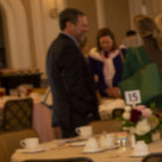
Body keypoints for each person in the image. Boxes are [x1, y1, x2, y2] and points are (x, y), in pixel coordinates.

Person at [46, 7, 99, 137]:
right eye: (83, 26)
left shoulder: (56, 45)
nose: (87, 29)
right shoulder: (67, 47)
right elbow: (74, 85)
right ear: (69, 25)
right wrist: (88, 111)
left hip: (67, 114)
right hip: (76, 116)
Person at [121, 16, 162, 111]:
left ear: (139, 34)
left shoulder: (133, 54)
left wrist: (133, 109)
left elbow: (127, 83)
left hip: (142, 108)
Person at [87, 28, 125, 98]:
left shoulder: (119, 53)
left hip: (119, 92)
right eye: (102, 43)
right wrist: (105, 89)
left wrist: (117, 87)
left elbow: (122, 72)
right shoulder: (94, 56)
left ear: (112, 41)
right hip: (102, 94)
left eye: (108, 42)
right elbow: (92, 75)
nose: (105, 45)